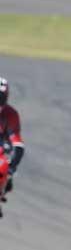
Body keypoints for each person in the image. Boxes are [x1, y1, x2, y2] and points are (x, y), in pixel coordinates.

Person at [0, 77, 25, 215]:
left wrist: (12, 166)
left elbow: (18, 143)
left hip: (2, 148)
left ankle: (3, 186)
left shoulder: (11, 114)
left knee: (5, 167)